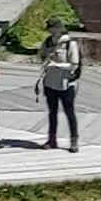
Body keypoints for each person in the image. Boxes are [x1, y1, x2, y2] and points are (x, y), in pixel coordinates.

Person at [40, 19, 87, 149]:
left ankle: (74, 140)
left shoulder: (70, 44)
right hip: (50, 82)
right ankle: (51, 140)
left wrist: (57, 65)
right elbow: (41, 56)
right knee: (52, 112)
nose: (51, 31)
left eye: (53, 28)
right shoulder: (48, 42)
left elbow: (74, 64)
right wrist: (45, 60)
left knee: (69, 112)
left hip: (66, 83)